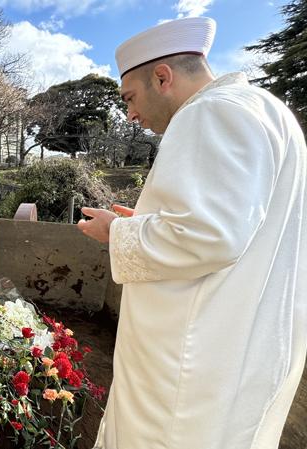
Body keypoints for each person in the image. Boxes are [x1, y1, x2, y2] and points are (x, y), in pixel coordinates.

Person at [76, 17, 307, 449]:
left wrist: (118, 232)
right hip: (237, 347)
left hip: (192, 368)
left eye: (130, 97)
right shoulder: (271, 111)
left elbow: (209, 236)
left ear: (162, 77)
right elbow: (235, 222)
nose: (130, 114)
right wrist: (144, 222)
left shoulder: (210, 111)